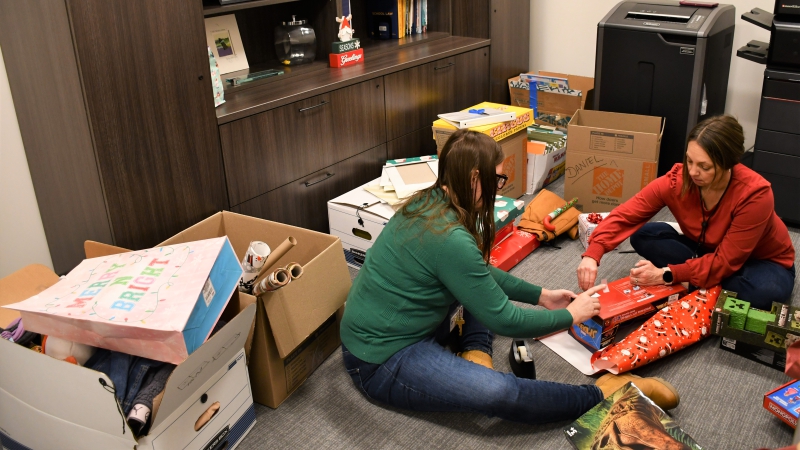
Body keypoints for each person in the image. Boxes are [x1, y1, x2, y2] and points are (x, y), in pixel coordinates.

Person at [340, 129, 679, 425]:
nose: (500, 187)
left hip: (408, 325)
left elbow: (476, 271)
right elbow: (505, 319)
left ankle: (475, 349)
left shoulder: (431, 200)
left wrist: (541, 294)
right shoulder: (448, 237)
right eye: (498, 179)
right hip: (380, 359)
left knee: (473, 289)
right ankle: (601, 395)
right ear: (474, 178)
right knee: (498, 393)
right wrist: (567, 315)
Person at [577, 115, 795, 310]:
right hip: (708, 250)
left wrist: (667, 275)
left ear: (729, 164)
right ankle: (703, 276)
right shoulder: (678, 180)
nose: (693, 172)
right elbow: (627, 214)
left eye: (704, 166)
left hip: (762, 261)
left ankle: (699, 277)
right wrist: (593, 253)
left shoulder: (755, 194)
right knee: (644, 235)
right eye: (689, 160)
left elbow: (727, 261)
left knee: (765, 292)